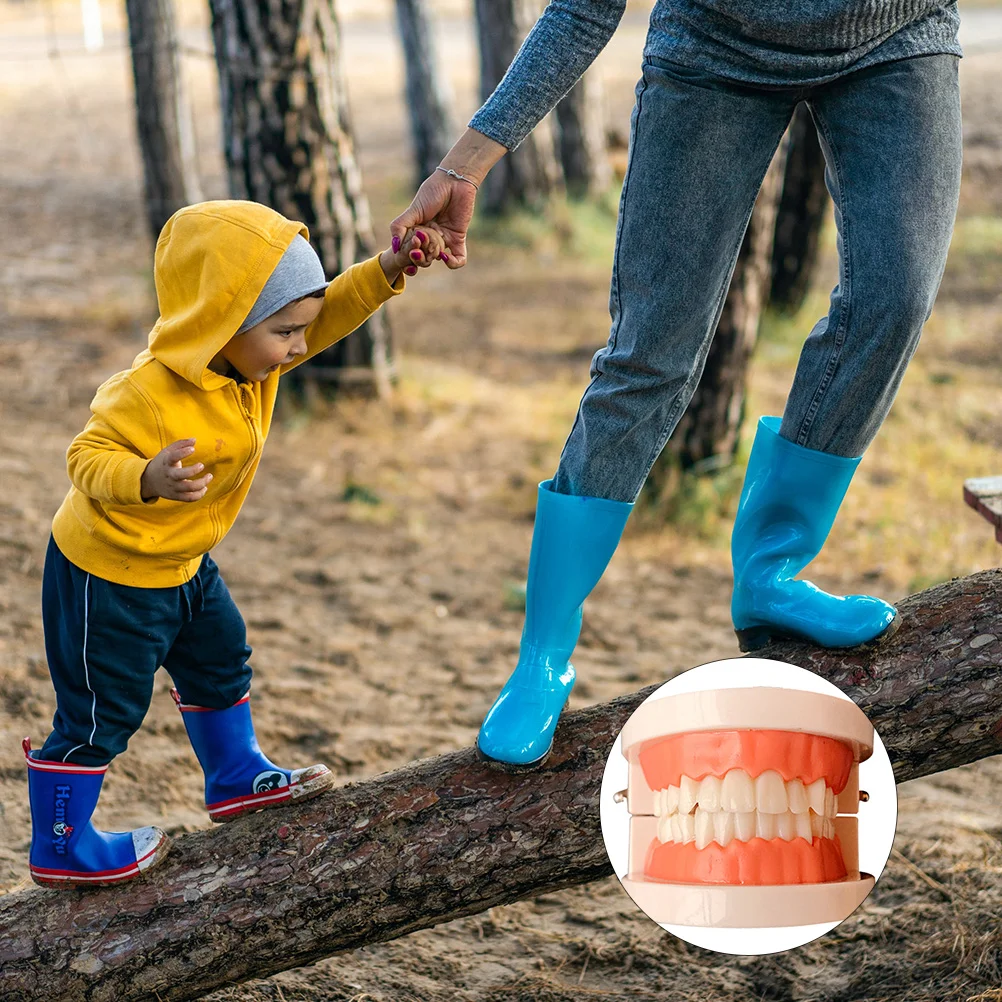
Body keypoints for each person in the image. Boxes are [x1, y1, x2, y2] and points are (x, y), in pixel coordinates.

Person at [390, 0, 963, 769]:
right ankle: (543, 658)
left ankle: (771, 574)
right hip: (713, 50)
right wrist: (466, 163)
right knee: (649, 357)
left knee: (893, 304)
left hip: (899, 38)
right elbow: (584, 9)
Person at [25, 199, 448, 888]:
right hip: (111, 575)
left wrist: (388, 268)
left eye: (299, 330)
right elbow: (83, 456)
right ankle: (62, 843)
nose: (299, 346)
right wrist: (146, 477)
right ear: (221, 321)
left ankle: (234, 775)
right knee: (104, 710)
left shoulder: (252, 361)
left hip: (185, 564)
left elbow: (328, 312)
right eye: (284, 331)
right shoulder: (147, 392)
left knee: (221, 658)